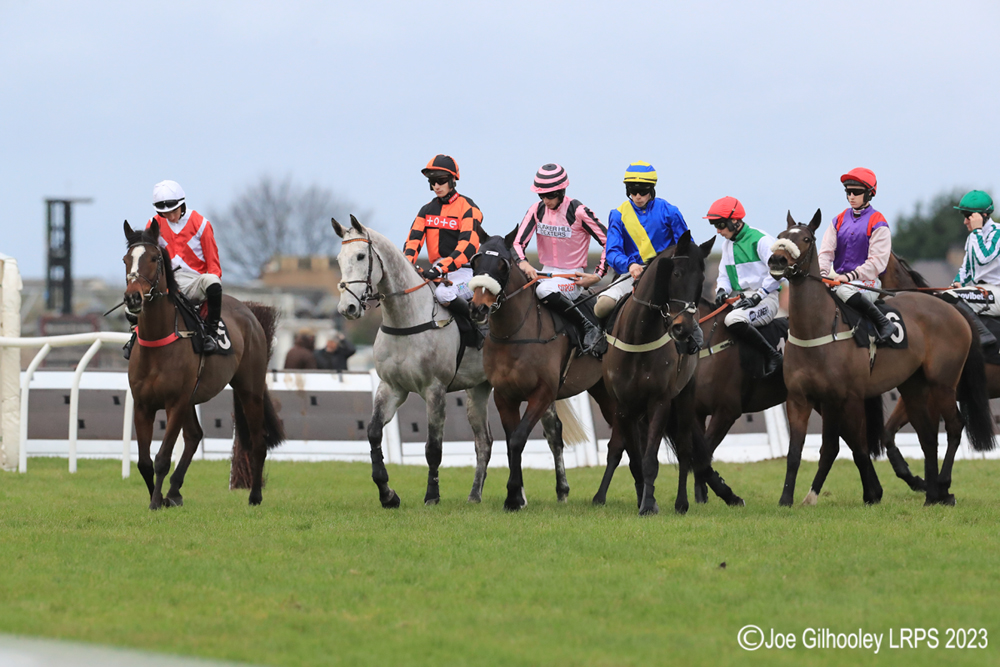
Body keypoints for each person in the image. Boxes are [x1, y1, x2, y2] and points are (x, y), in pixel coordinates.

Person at [512, 163, 608, 354]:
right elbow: (517, 244)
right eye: (541, 195)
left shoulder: (579, 211)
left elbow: (610, 242)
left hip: (571, 277)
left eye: (550, 195)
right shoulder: (535, 209)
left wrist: (597, 275)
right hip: (544, 272)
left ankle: (588, 326)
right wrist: (523, 262)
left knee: (543, 291)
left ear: (562, 191)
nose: (545, 200)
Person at [595, 161, 690, 320]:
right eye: (633, 191)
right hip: (631, 274)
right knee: (603, 305)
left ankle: (694, 339)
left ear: (652, 189)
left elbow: (686, 247)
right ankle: (598, 339)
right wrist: (630, 264)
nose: (638, 196)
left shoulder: (670, 212)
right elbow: (612, 252)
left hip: (666, 275)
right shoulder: (618, 215)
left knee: (685, 313)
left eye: (643, 191)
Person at [707, 196, 784, 375]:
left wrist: (759, 295)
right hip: (742, 298)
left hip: (767, 299)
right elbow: (724, 276)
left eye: (721, 225)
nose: (718, 231)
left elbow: (779, 272)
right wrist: (721, 291)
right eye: (715, 226)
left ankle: (773, 356)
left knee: (733, 320)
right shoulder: (727, 245)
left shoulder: (762, 240)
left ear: (735, 220)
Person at [146, 179, 225, 353]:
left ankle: (211, 333)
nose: (171, 217)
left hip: (193, 283)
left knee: (212, 280)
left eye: (174, 211)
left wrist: (207, 300)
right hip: (166, 284)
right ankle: (134, 336)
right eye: (165, 213)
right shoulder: (154, 224)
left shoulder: (201, 224)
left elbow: (214, 265)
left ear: (182, 204)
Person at [403, 154, 486, 320]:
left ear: (452, 180)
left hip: (465, 273)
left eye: (440, 180)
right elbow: (413, 242)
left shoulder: (469, 208)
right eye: (432, 182)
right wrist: (407, 265)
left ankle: (478, 325)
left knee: (443, 294)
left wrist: (440, 268)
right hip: (437, 271)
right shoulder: (426, 210)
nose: (436, 186)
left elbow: (467, 247)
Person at [817, 168, 894, 341]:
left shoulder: (879, 223)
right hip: (839, 280)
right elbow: (825, 252)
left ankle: (883, 323)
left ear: (869, 193)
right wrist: (822, 274)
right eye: (848, 192)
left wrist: (849, 276)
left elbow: (877, 263)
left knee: (844, 290)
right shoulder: (838, 220)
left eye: (856, 192)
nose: (851, 196)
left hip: (867, 282)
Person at [942, 190, 999, 345]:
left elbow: (983, 259)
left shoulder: (997, 233)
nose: (965, 222)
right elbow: (965, 269)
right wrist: (956, 283)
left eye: (968, 217)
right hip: (982, 291)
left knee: (954, 297)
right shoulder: (973, 237)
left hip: (996, 292)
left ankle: (983, 335)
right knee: (943, 296)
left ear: (983, 216)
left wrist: (977, 230)